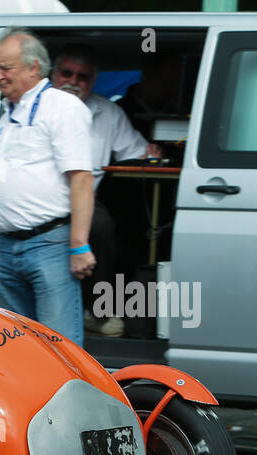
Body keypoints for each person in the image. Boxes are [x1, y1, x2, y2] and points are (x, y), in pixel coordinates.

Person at [0, 32, 94, 348]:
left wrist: (79, 246)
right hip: (4, 245)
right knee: (17, 347)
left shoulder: (62, 106)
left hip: (48, 244)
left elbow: (81, 178)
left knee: (60, 347)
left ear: (33, 67)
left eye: (6, 68)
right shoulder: (7, 111)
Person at [50, 44, 162, 337]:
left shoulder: (108, 112)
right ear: (53, 74)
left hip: (83, 197)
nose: (73, 81)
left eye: (83, 77)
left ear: (93, 81)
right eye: (66, 73)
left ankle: (95, 311)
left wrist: (150, 153)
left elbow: (136, 152)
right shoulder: (35, 106)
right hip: (38, 197)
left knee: (105, 226)